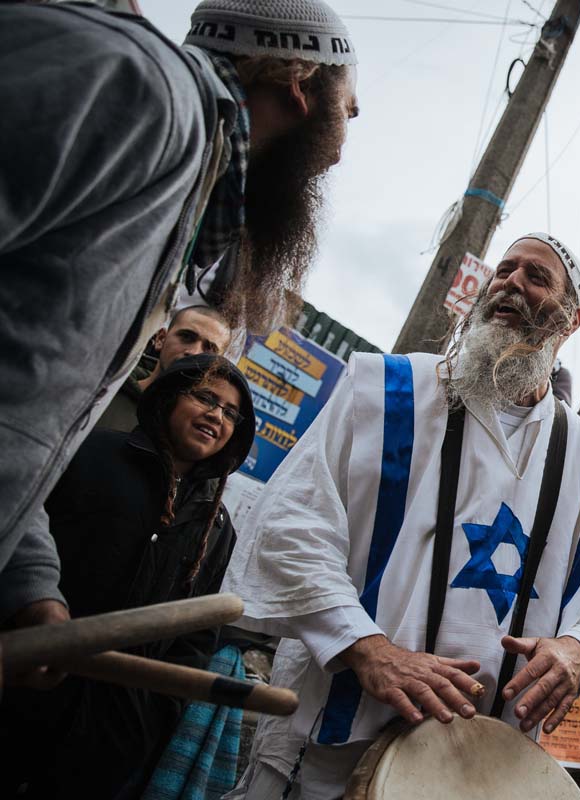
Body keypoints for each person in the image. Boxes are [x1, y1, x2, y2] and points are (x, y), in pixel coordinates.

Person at [0, 0, 358, 652]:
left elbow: (25, 397)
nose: (342, 147)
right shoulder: (141, 92)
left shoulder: (179, 179)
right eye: (350, 109)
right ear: (301, 83)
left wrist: (27, 584)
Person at [222, 232, 580, 799]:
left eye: (536, 277)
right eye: (504, 269)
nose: (511, 281)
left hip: (478, 773)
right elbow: (292, 527)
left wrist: (577, 647)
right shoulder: (384, 389)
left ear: (571, 320)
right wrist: (368, 647)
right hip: (328, 750)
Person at [0, 354, 256, 799]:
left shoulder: (217, 528)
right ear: (170, 399)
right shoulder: (90, 453)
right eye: (206, 398)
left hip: (106, 742)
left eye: (231, 413)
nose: (217, 415)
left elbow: (195, 641)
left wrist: (149, 717)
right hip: (22, 689)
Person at [97, 306, 234, 432]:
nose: (194, 352)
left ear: (217, 365)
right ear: (161, 339)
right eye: (186, 337)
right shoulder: (104, 390)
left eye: (209, 349)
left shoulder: (201, 433)